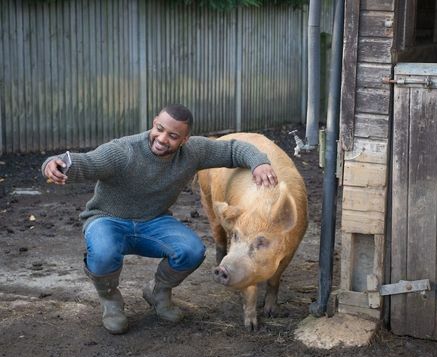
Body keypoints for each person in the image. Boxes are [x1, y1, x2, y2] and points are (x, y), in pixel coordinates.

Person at [42, 104, 278, 335]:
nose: (162, 138)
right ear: (154, 122)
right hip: (107, 219)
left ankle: (158, 291)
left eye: (173, 135)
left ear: (185, 139)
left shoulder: (193, 152)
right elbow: (88, 162)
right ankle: (111, 300)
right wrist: (56, 163)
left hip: (152, 222)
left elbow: (234, 149)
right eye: (159, 128)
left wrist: (260, 162)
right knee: (103, 252)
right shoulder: (124, 150)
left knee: (192, 250)